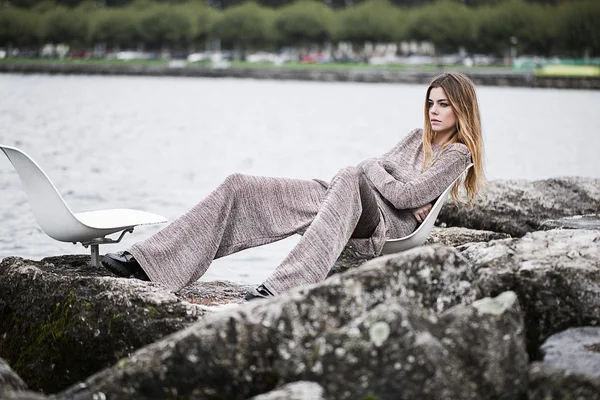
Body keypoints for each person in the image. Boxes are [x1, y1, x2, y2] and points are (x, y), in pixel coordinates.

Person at [101, 72, 485, 300]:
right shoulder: (416, 136)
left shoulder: (458, 154)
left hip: (384, 226)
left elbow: (403, 196)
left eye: (445, 105)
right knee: (241, 186)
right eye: (432, 102)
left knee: (352, 172)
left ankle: (281, 288)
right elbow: (392, 181)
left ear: (461, 109)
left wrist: (372, 169)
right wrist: (380, 175)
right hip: (351, 199)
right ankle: (150, 263)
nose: (435, 111)